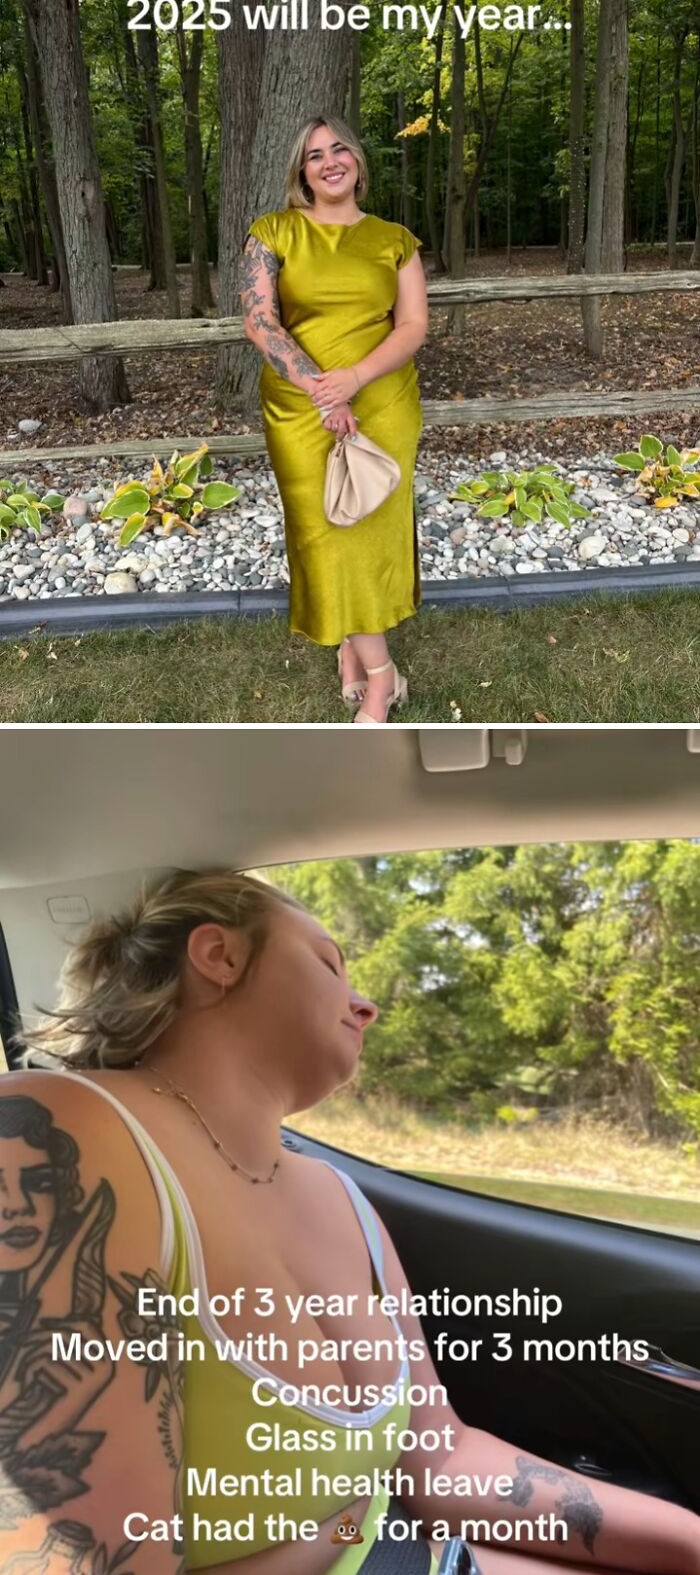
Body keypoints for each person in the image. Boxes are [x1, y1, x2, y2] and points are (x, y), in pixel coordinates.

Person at [4, 867, 700, 1575]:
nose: (365, 1006)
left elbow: (440, 1461)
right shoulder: (55, 1131)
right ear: (220, 955)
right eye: (330, 963)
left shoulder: (340, 1196)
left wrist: (685, 1538)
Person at [240, 116, 429, 725]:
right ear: (302, 171)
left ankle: (368, 666)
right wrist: (325, 392)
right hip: (300, 406)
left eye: (339, 148)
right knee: (325, 530)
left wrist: (355, 380)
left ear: (357, 161)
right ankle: (382, 669)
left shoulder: (394, 239)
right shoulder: (273, 232)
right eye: (315, 155)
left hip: (383, 400)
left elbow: (413, 326)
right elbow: (260, 322)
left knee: (368, 530)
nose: (329, 161)